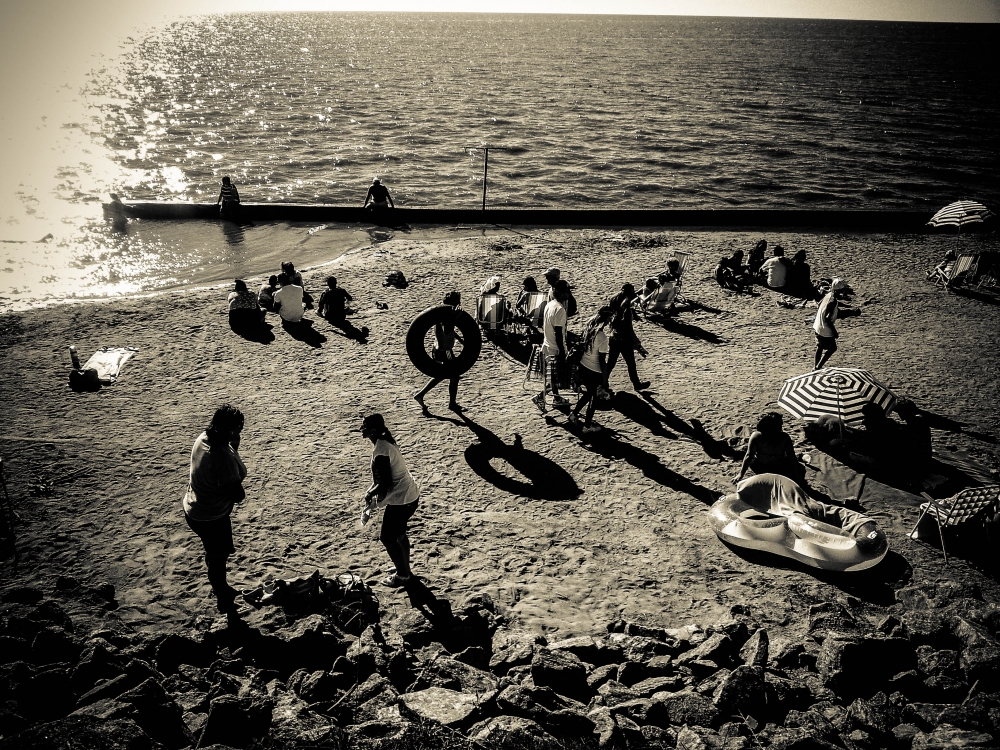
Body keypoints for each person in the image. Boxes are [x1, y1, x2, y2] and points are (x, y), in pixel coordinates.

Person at [182, 405, 247, 613]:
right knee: (218, 558)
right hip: (211, 516)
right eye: (238, 429)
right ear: (230, 430)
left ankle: (219, 584)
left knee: (213, 552)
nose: (240, 432)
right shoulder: (221, 456)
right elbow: (238, 495)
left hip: (194, 506)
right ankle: (222, 594)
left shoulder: (204, 438)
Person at [362, 414, 419, 587]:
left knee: (387, 538)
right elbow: (382, 480)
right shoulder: (386, 442)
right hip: (410, 496)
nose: (362, 429)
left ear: (372, 431)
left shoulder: (381, 451)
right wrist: (372, 491)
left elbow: (385, 483)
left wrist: (369, 495)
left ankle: (402, 575)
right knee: (399, 535)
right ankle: (405, 568)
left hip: (402, 501)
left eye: (364, 427)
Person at [414, 292, 462, 413]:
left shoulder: (443, 314)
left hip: (439, 349)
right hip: (444, 350)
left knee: (444, 374)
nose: (460, 304)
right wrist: (455, 317)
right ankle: (451, 404)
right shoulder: (446, 316)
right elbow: (447, 329)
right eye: (458, 302)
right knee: (453, 375)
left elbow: (450, 329)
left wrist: (462, 340)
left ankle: (421, 395)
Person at [569, 306, 614, 433]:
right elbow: (602, 361)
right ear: (607, 319)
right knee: (593, 398)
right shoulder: (602, 337)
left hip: (584, 366)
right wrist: (605, 380)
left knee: (588, 393)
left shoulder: (588, 329)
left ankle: (574, 414)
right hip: (594, 371)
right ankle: (587, 426)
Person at [734, 411, 805, 484]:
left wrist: (798, 476)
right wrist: (741, 474)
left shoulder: (782, 438)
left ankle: (800, 457)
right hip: (769, 467)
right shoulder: (783, 437)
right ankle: (800, 457)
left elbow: (792, 458)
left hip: (771, 467)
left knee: (800, 469)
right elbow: (749, 456)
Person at [532, 280, 571, 412]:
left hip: (547, 344)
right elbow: (559, 332)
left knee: (553, 377)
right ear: (560, 293)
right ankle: (541, 396)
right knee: (558, 377)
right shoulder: (560, 309)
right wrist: (562, 350)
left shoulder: (550, 305)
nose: (569, 294)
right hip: (555, 347)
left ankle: (556, 398)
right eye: (567, 291)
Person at [606, 283, 650, 393]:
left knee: (611, 363)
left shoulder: (614, 303)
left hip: (614, 337)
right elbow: (629, 329)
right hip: (625, 340)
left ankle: (602, 384)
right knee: (631, 363)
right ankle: (636, 384)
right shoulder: (627, 310)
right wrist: (637, 342)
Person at [813, 278, 848, 369]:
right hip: (825, 330)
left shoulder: (828, 295)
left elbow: (819, 304)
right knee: (832, 348)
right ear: (839, 291)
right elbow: (828, 318)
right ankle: (818, 367)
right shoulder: (833, 301)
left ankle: (815, 367)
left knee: (820, 346)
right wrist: (834, 332)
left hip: (817, 326)